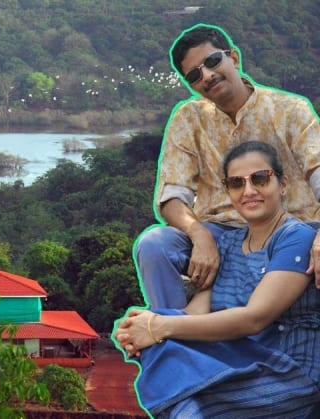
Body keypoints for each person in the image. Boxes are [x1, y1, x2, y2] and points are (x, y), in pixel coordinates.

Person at [115, 141, 320, 418]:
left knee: (186, 407)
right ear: (228, 192)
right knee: (167, 355)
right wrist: (139, 327)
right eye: (236, 183)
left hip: (289, 370)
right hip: (240, 359)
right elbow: (196, 311)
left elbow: (254, 318)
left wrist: (159, 325)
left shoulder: (295, 238)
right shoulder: (228, 244)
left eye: (260, 179)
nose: (249, 191)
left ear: (282, 184)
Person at [136, 23, 320, 309]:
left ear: (233, 58)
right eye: (195, 75)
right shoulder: (189, 118)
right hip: (219, 231)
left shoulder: (289, 109)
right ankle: (173, 340)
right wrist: (199, 234)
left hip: (288, 227)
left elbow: (317, 169)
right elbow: (172, 196)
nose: (207, 75)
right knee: (155, 245)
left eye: (212, 62)